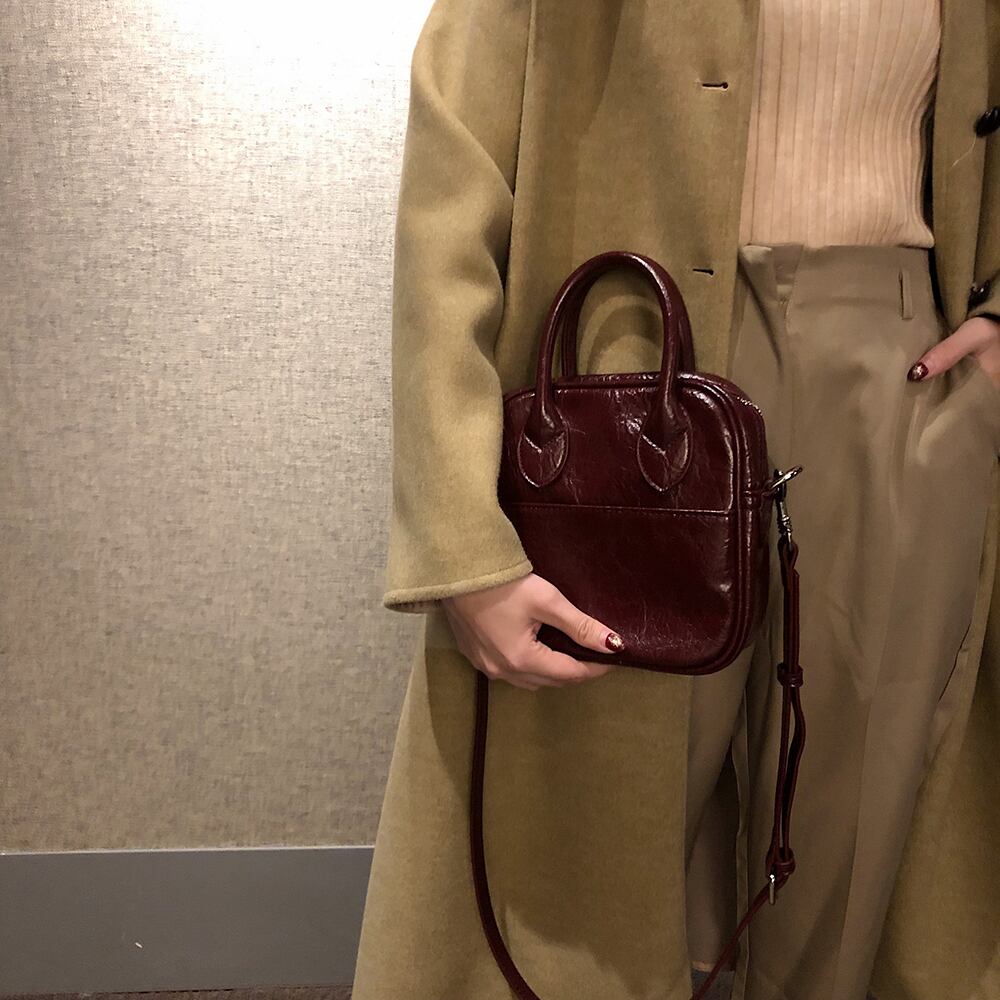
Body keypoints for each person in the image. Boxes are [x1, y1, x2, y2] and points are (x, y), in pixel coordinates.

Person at [353, 1, 1000, 999]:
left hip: (906, 378)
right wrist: (457, 538)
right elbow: (453, 178)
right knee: (590, 840)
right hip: (627, 383)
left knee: (853, 832)